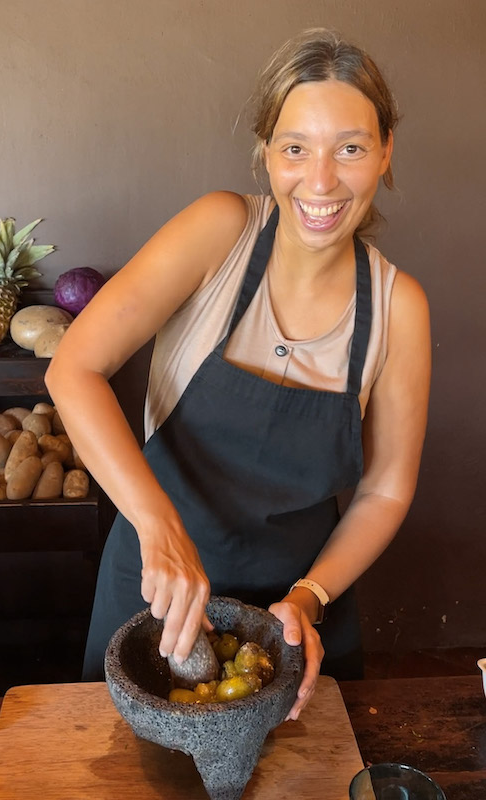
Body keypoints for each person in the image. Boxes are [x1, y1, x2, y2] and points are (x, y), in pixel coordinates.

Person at [45, 28, 431, 720]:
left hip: (297, 615)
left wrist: (310, 595)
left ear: (383, 153)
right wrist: (157, 528)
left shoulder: (399, 308)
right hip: (153, 586)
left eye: (349, 147)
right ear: (264, 154)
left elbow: (383, 491)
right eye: (294, 148)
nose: (319, 180)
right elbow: (74, 367)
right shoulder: (217, 230)